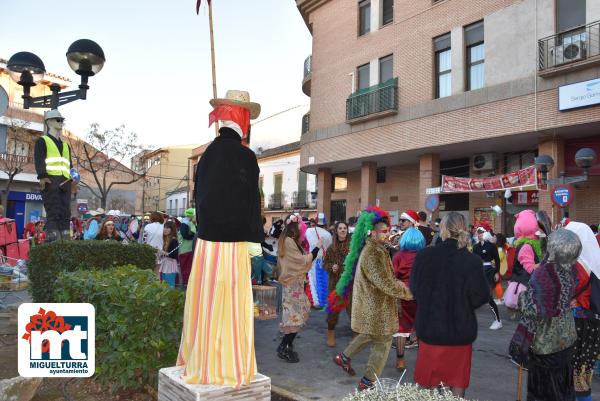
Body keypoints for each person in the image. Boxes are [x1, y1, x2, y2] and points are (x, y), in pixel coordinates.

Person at [178, 89, 263, 389]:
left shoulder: (206, 157)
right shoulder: (246, 156)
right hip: (233, 244)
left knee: (205, 303)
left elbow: (200, 199)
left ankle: (199, 360)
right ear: (242, 119)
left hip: (206, 245)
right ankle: (227, 366)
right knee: (230, 306)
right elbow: (252, 200)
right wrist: (256, 240)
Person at [410, 212, 489, 398]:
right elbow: (481, 296)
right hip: (460, 333)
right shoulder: (473, 261)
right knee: (457, 384)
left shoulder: (425, 256)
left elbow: (415, 290)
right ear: (464, 229)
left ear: (443, 229)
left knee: (428, 387)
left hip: (430, 331)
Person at [333, 207, 413, 391]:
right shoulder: (374, 253)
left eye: (388, 231)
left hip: (375, 306)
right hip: (377, 307)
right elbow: (385, 282)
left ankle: (344, 357)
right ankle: (368, 381)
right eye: (384, 232)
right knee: (383, 343)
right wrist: (408, 292)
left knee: (370, 334)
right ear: (373, 232)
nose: (388, 234)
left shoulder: (377, 249)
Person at [514, 229, 580, 401]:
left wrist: (522, 297)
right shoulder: (572, 270)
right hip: (567, 336)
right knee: (564, 386)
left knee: (543, 391)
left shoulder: (545, 273)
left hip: (546, 341)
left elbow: (532, 308)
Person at [277, 214, 323, 362]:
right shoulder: (289, 242)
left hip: (294, 284)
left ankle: (286, 345)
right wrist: (316, 248)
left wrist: (313, 251)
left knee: (296, 315)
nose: (302, 229)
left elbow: (302, 260)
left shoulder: (289, 241)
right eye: (300, 226)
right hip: (292, 285)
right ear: (294, 227)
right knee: (294, 317)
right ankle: (284, 346)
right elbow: (301, 261)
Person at [565, 222, 600, 401]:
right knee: (585, 372)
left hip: (576, 324)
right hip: (593, 324)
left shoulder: (577, 265)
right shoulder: (595, 260)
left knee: (571, 372)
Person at [34, 109, 73, 242]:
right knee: (54, 212)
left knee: (66, 213)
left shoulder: (66, 146)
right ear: (49, 122)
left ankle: (66, 240)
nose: (61, 122)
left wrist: (74, 180)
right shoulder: (42, 141)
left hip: (66, 181)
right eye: (58, 120)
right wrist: (42, 176)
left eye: (62, 120)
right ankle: (53, 242)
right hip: (51, 180)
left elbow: (69, 165)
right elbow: (39, 159)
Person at [392, 227, 425, 370]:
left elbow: (392, 277)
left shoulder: (398, 256)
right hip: (421, 295)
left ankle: (400, 360)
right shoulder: (424, 256)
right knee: (421, 328)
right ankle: (423, 361)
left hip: (402, 296)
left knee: (401, 328)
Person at [504, 210, 542, 310]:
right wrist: (546, 263)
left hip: (528, 286)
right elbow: (531, 269)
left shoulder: (530, 244)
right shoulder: (526, 247)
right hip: (525, 288)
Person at [323, 221, 351, 347]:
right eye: (340, 228)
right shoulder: (331, 247)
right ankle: (330, 333)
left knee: (352, 309)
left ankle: (356, 334)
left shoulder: (353, 246)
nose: (343, 230)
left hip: (350, 283)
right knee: (333, 310)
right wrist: (331, 267)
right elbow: (325, 263)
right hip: (335, 283)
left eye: (345, 228)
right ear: (336, 231)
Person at [473, 227, 503, 330]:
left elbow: (497, 260)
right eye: (478, 233)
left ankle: (498, 320)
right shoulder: (475, 246)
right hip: (479, 273)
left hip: (490, 272)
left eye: (481, 232)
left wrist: (497, 272)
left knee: (489, 297)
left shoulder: (491, 246)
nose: (479, 234)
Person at [178, 208, 196, 287]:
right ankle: (186, 285)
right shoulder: (186, 223)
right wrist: (193, 236)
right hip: (185, 250)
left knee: (187, 269)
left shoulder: (187, 223)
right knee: (186, 269)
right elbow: (186, 236)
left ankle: (187, 285)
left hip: (188, 250)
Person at [159, 220, 179, 288]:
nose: (165, 229)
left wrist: (164, 253)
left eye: (167, 228)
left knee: (169, 285)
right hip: (165, 264)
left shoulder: (174, 240)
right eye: (164, 227)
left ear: (172, 229)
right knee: (164, 284)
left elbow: (174, 255)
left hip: (170, 265)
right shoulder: (166, 239)